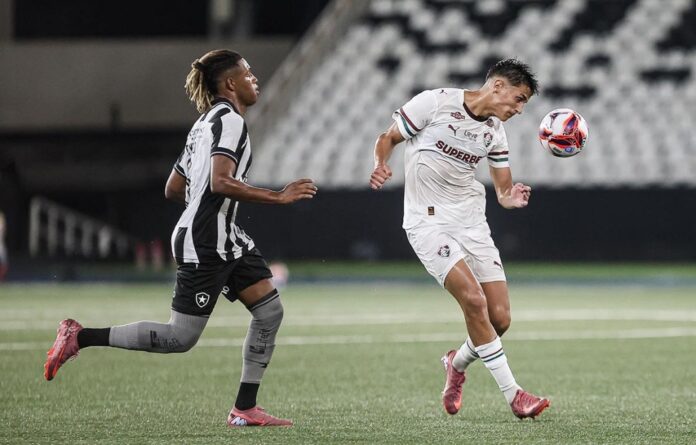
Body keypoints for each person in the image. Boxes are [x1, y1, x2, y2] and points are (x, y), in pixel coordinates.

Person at [44, 49, 318, 427]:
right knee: (180, 337)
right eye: (248, 73)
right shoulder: (231, 122)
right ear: (230, 83)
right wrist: (278, 196)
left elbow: (174, 187)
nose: (255, 78)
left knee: (269, 310)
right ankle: (80, 336)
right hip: (206, 241)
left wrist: (202, 206)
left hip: (224, 237)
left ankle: (245, 408)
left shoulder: (202, 124)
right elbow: (219, 182)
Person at [369, 59, 549, 419]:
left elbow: (502, 190)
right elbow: (387, 138)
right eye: (519, 99)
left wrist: (511, 197)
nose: (519, 109)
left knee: (499, 319)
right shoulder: (434, 103)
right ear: (497, 86)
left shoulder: (495, 132)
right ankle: (515, 395)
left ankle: (456, 363)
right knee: (473, 300)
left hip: (471, 224)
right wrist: (380, 163)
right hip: (427, 223)